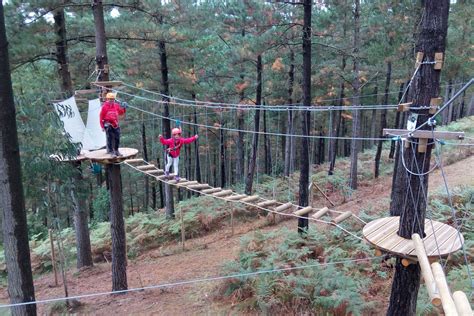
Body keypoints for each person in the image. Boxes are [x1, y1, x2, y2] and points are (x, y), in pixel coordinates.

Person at [99, 92, 128, 157]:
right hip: (108, 123)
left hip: (115, 123)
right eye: (110, 99)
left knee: (117, 138)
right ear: (107, 99)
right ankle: (111, 152)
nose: (111, 101)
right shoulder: (104, 107)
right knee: (110, 137)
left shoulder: (116, 105)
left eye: (112, 99)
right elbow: (101, 117)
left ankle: (116, 150)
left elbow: (121, 113)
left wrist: (124, 108)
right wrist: (102, 126)